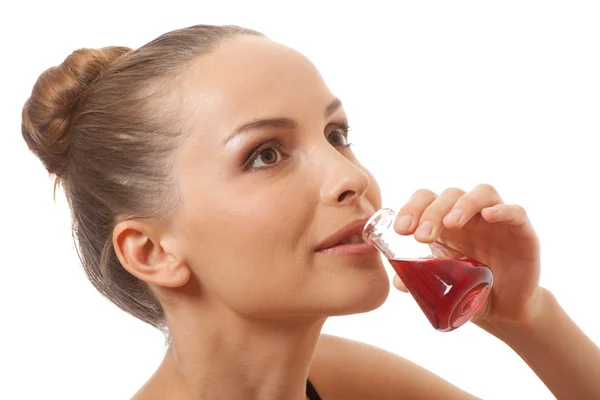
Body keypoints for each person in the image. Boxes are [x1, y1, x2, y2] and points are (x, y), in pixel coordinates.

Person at [21, 24, 600, 400]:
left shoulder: (343, 380)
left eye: (337, 134)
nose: (351, 178)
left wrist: (528, 318)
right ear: (153, 251)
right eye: (265, 154)